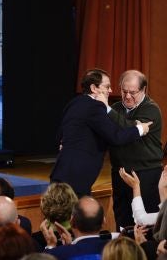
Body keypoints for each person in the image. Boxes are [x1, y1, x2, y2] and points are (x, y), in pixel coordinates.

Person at [50, 68, 152, 197]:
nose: (110, 90)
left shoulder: (74, 103)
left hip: (60, 171)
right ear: (94, 88)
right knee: (78, 216)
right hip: (77, 178)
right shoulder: (95, 106)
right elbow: (115, 137)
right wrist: (140, 129)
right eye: (107, 86)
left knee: (56, 214)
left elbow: (60, 134)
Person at [108, 69, 163, 230]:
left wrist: (107, 110)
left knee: (145, 223)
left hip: (146, 173)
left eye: (133, 92)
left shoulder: (151, 109)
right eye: (124, 91)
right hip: (120, 172)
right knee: (122, 218)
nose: (127, 96)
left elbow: (128, 129)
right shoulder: (116, 108)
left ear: (143, 90)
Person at [44, 196, 110, 259]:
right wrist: (70, 246)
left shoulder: (56, 254)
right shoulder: (116, 249)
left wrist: (51, 245)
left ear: (72, 222)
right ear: (103, 222)